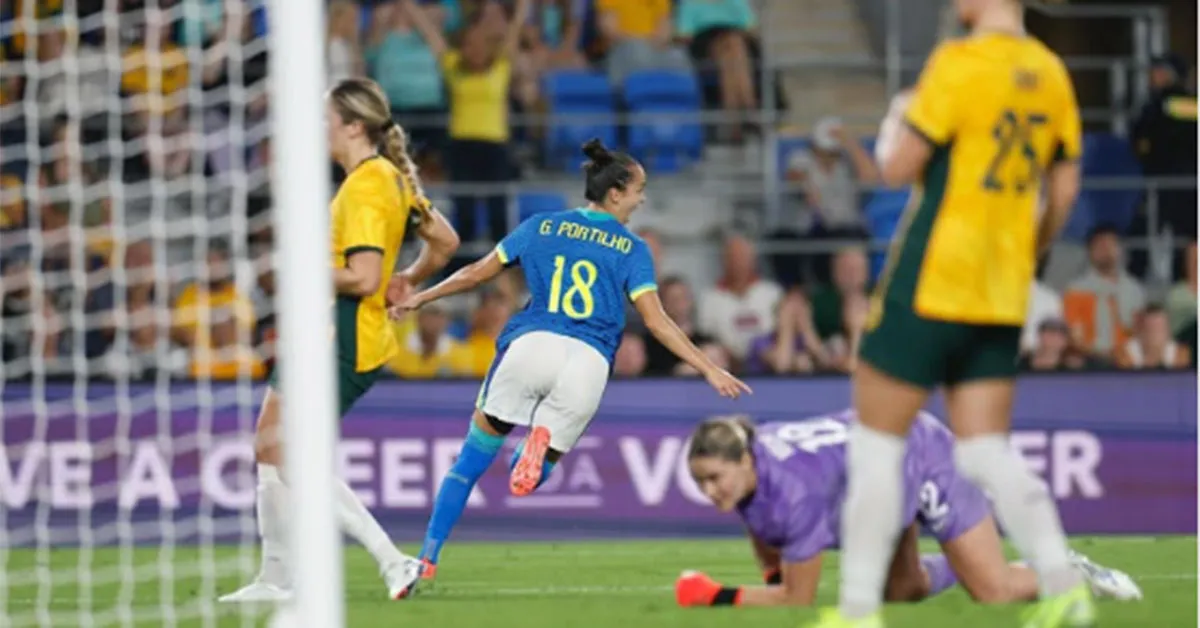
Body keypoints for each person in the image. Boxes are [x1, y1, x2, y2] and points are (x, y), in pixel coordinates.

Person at [815, 0, 1089, 626]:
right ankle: (1062, 583)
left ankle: (858, 611)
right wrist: (1026, 254)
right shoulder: (1051, 71)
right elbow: (1065, 189)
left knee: (878, 444)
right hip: (1000, 289)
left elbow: (896, 168)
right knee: (987, 450)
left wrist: (896, 122)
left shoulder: (958, 64)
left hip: (934, 277)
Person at [394, 138, 751, 583]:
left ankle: (426, 558)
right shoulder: (632, 249)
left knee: (468, 464)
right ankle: (536, 446)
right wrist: (709, 367)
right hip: (588, 362)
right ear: (616, 192)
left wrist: (422, 297)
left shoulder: (541, 226)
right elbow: (658, 323)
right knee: (527, 479)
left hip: (533, 346)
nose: (642, 200)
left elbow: (474, 273)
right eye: (639, 190)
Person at [218, 78, 461, 603]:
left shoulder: (368, 185)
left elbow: (365, 277)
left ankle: (393, 561)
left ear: (353, 126)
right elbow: (444, 241)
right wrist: (411, 281)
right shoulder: (388, 179)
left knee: (290, 455)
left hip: (344, 336)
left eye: (325, 119)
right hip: (321, 332)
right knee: (268, 444)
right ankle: (277, 578)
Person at [675, 412, 1143, 608]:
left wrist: (713, 594)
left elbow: (800, 600)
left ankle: (1072, 572)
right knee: (905, 589)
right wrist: (772, 582)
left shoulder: (793, 492)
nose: (709, 490)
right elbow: (763, 528)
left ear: (744, 462)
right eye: (700, 481)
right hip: (880, 477)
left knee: (992, 589)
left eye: (715, 478)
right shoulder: (751, 468)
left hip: (921, 456)